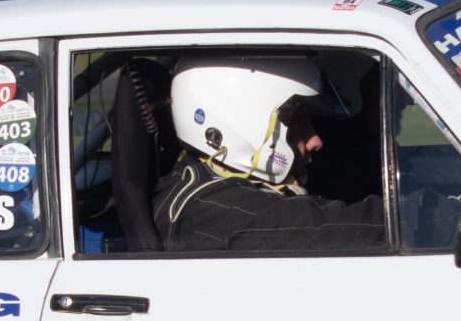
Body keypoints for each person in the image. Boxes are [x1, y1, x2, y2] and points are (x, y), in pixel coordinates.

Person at [154, 56, 385, 252]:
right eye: (298, 125)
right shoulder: (215, 209)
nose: (316, 141)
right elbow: (331, 228)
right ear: (245, 123)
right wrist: (411, 211)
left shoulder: (204, 177)